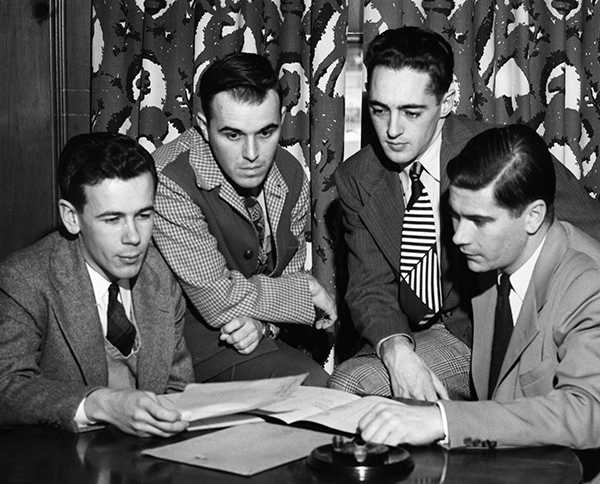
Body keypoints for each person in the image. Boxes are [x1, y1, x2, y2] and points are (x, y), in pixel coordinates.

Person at [329, 26, 600, 401]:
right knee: (350, 383)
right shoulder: (357, 177)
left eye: (411, 112)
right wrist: (397, 352)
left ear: (447, 100)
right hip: (435, 334)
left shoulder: (501, 156)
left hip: (512, 329)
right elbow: (368, 287)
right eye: (380, 110)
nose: (392, 130)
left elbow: (588, 241)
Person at [357, 124, 600, 449]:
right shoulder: (494, 258)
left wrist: (443, 420)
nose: (458, 237)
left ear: (533, 216)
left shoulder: (588, 284)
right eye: (456, 216)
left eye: (480, 221)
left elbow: (588, 414)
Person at [152, 52, 337, 386]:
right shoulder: (168, 178)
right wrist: (306, 294)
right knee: (313, 387)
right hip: (188, 354)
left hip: (255, 337)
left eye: (266, 133)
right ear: (203, 126)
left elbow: (285, 277)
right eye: (233, 135)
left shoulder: (291, 173)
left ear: (281, 118)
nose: (252, 155)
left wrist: (265, 325)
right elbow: (217, 299)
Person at [0, 132, 194, 437]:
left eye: (143, 215)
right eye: (112, 219)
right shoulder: (24, 279)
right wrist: (100, 403)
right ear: (71, 217)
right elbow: (6, 387)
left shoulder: (160, 274)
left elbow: (179, 388)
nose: (133, 237)